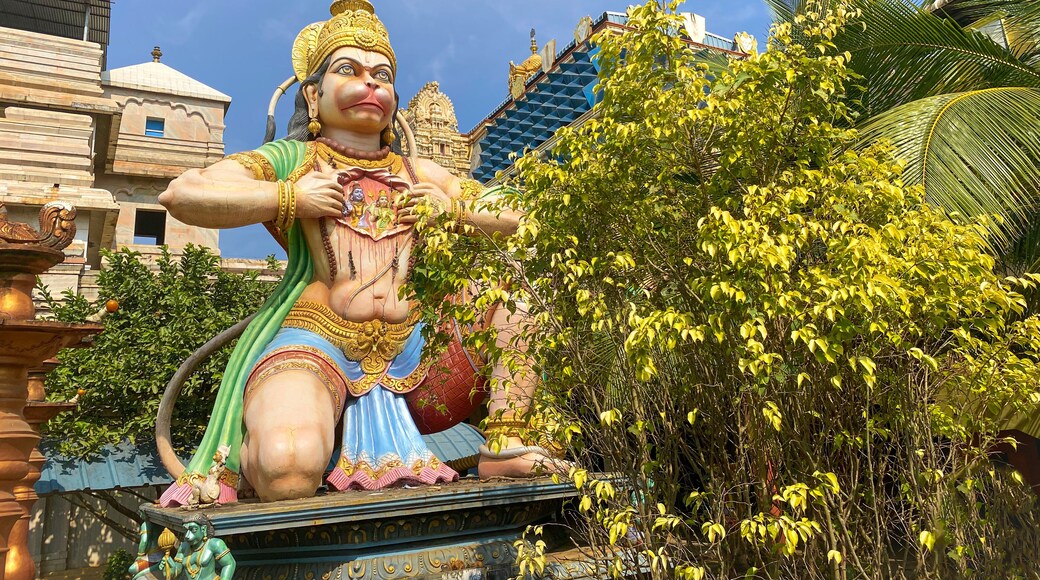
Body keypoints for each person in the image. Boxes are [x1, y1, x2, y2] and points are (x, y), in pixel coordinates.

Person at [157, 0, 562, 506]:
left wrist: (455, 211)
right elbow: (184, 193)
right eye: (349, 69)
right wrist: (289, 197)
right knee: (286, 466)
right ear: (313, 91)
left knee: (519, 298)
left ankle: (505, 444)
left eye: (383, 74)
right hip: (318, 341)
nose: (371, 83)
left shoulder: (418, 173)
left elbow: (525, 215)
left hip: (419, 352)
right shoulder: (291, 159)